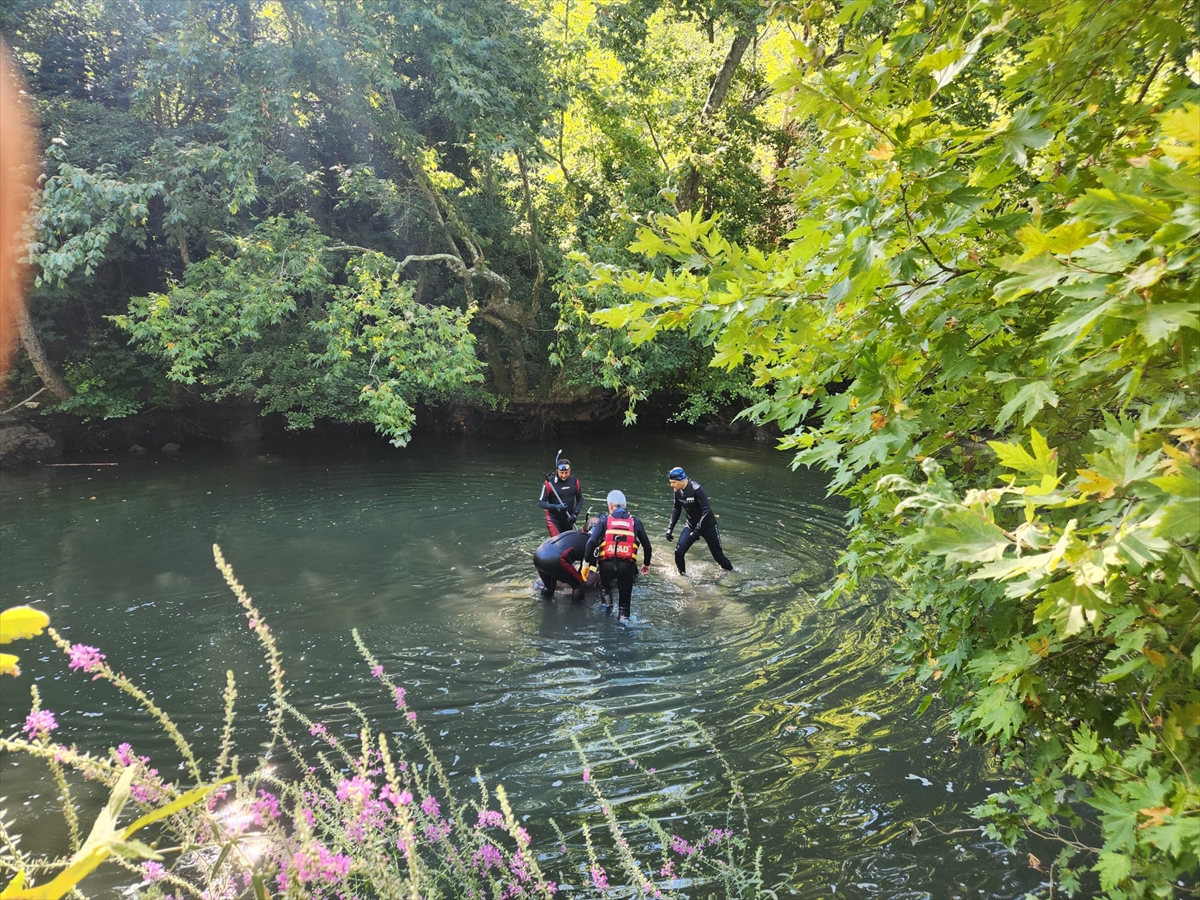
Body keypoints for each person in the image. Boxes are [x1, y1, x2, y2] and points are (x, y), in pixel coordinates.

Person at [584, 490, 651, 624]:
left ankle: (606, 612)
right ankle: (623, 621)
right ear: (625, 505)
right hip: (626, 566)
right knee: (624, 606)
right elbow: (647, 546)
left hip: (606, 565)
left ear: (610, 505)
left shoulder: (604, 520)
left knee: (606, 589)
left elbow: (591, 542)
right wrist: (646, 564)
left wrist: (586, 564)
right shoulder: (635, 521)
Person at [664, 466, 733, 575]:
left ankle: (733, 572)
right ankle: (683, 576)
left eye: (673, 482)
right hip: (691, 524)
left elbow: (706, 511)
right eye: (670, 482)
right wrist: (670, 529)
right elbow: (676, 509)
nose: (671, 485)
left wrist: (696, 532)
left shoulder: (696, 489)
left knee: (718, 557)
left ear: (682, 480)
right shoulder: (677, 491)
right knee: (678, 552)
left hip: (707, 526)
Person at [532, 517, 599, 602]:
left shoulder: (574, 534)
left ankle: (543, 606)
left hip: (538, 554)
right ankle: (577, 611)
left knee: (549, 587)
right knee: (578, 586)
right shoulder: (592, 543)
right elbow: (584, 570)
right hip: (555, 559)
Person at [538, 457, 583, 536]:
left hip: (569, 519)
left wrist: (575, 514)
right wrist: (555, 506)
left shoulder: (575, 481)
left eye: (566, 472)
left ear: (570, 470)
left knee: (568, 542)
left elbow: (580, 500)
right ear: (557, 471)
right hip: (554, 519)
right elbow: (541, 502)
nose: (564, 475)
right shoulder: (549, 483)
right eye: (561, 473)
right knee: (558, 542)